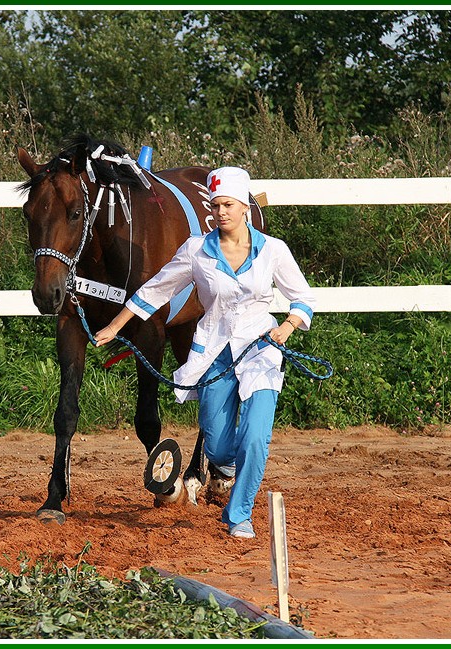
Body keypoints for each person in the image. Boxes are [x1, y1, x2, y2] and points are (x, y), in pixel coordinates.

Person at [94, 166, 316, 539]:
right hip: (213, 352)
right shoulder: (197, 250)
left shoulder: (273, 250)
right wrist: (115, 327)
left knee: (256, 436)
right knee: (216, 443)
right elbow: (156, 290)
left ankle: (239, 513)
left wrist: (287, 326)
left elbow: (304, 298)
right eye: (215, 205)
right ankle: (226, 468)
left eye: (228, 204)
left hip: (261, 349)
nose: (220, 211)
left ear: (245, 206)